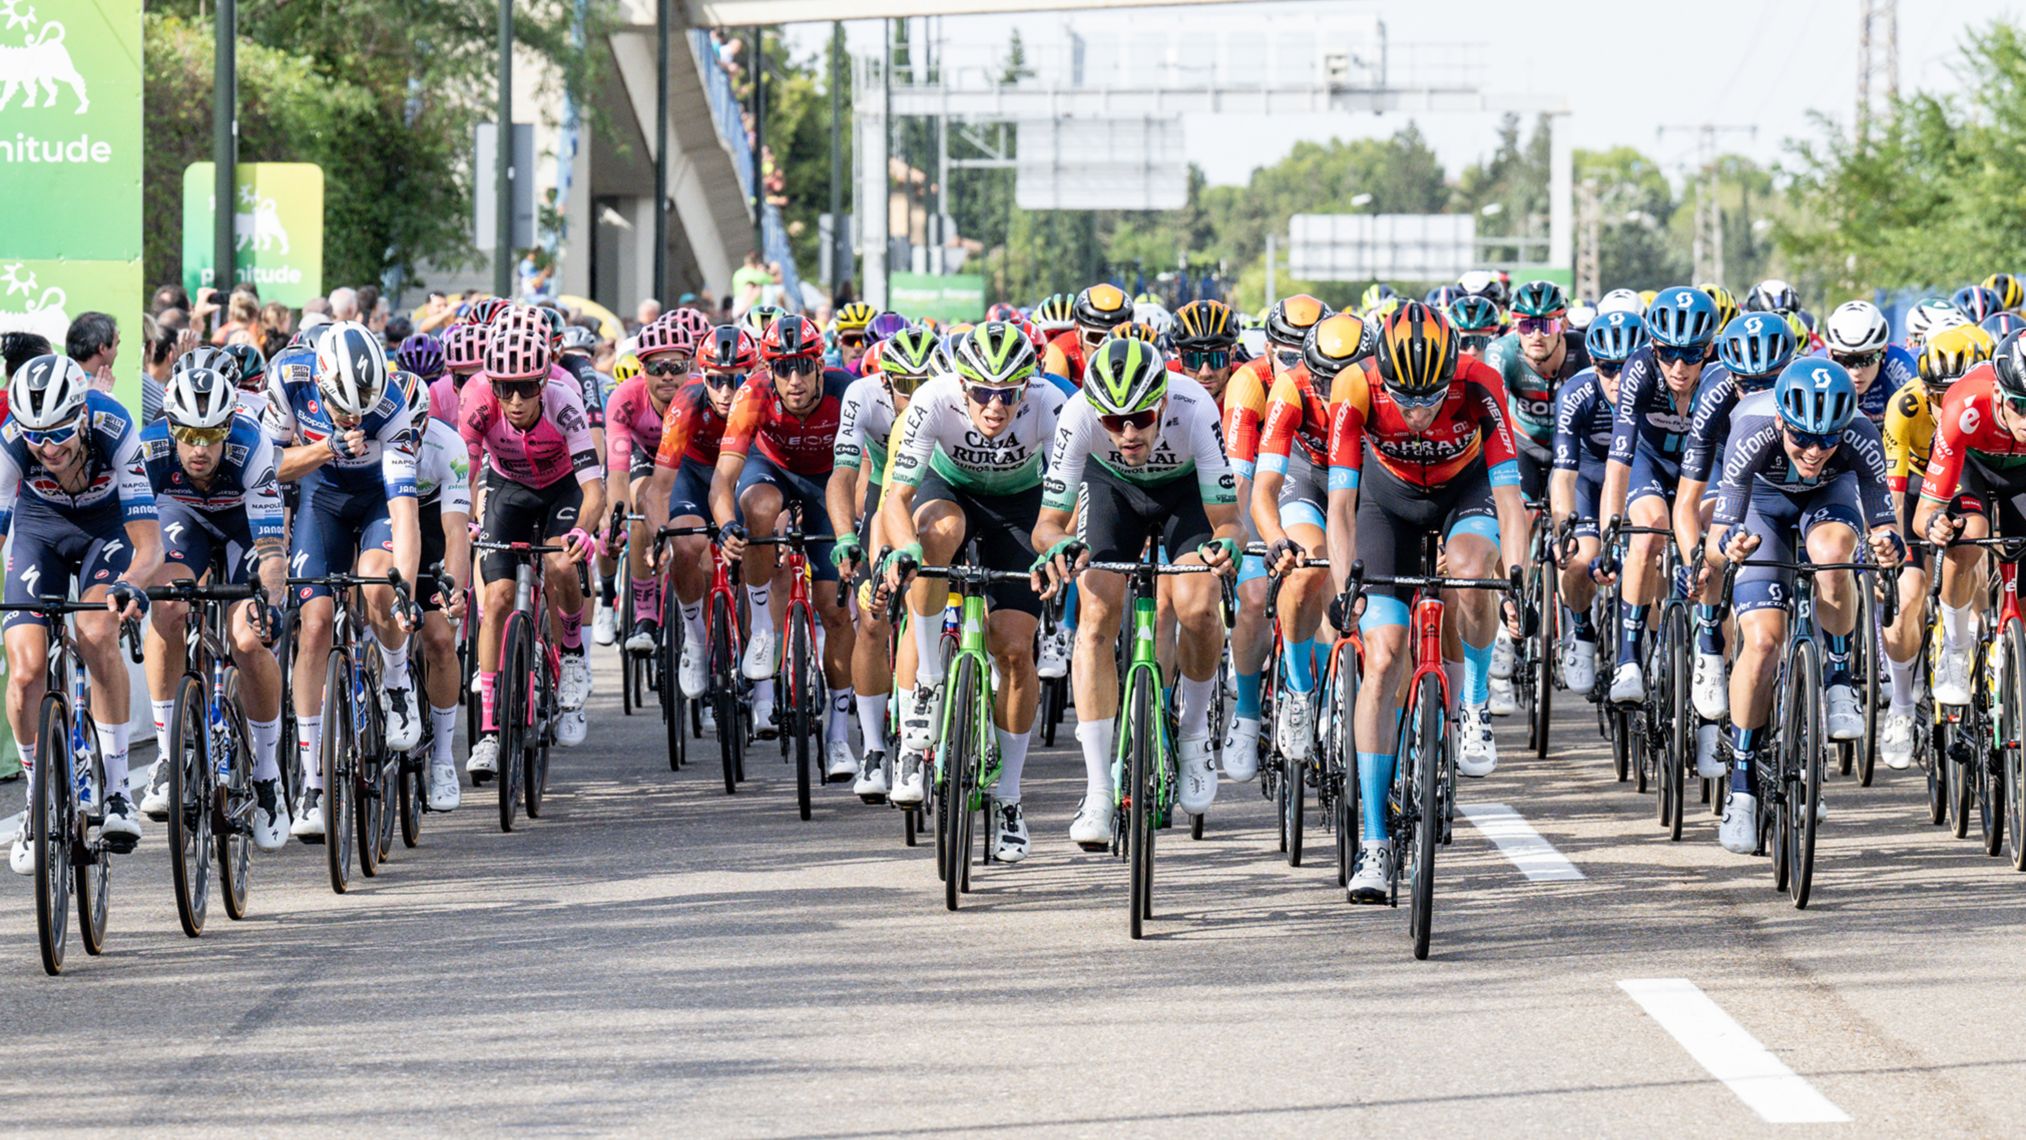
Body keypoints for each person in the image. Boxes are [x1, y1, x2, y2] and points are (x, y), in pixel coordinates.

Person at [1323, 302, 1528, 900]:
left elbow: (1511, 502)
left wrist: (1514, 579)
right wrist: (1344, 591)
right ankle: (1374, 841)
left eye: (1430, 400)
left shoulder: (1479, 383)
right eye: (1404, 399)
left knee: (1470, 571)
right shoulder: (1355, 383)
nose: (1415, 414)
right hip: (1385, 504)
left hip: (1465, 495)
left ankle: (1476, 701)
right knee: (1384, 657)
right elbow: (1340, 506)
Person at [1032, 336, 1239, 830]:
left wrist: (1227, 543)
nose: (1127, 434)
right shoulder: (1078, 414)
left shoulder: (1193, 405)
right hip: (1110, 493)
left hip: (1184, 494)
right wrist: (1057, 546)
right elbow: (1047, 524)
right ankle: (1099, 787)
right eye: (1112, 421)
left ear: (1162, 401)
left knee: (1198, 605)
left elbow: (1229, 518)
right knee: (1096, 614)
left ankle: (1192, 736)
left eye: (1141, 419)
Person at [880, 323, 1063, 859]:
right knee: (937, 536)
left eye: (1007, 393)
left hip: (1021, 505)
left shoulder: (1051, 404)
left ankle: (1008, 797)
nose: (994, 405)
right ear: (962, 386)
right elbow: (897, 496)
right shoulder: (934, 398)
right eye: (982, 392)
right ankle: (928, 689)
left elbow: (1071, 492)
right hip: (949, 490)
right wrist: (905, 548)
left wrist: (1056, 545)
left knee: (1012, 649)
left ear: (1026, 387)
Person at [1710, 359, 1899, 854]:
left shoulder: (1858, 433)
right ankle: (1743, 785)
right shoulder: (1751, 428)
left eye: (1827, 440)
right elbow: (1720, 531)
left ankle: (1839, 679)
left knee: (1836, 557)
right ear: (1780, 423)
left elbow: (1884, 521)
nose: (1814, 451)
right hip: (1763, 510)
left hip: (1828, 504)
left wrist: (1888, 545)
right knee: (1764, 641)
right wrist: (1730, 544)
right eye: (1801, 440)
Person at [262, 321, 425, 838]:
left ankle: (397, 683)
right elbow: (267, 469)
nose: (356, 418)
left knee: (378, 580)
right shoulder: (289, 377)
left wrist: (405, 593)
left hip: (378, 498)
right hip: (320, 496)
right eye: (342, 407)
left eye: (364, 408)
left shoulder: (394, 404)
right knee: (312, 624)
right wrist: (326, 448)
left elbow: (404, 513)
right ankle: (312, 781)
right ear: (321, 380)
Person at [2, 356, 162, 874]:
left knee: (95, 632)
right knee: (25, 670)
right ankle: (36, 797)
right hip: (39, 530)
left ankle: (117, 790)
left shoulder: (117, 431)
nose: (48, 449)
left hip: (107, 529)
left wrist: (130, 587)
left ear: (83, 417)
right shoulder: (10, 445)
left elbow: (150, 546)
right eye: (36, 437)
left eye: (60, 436)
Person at [135, 364, 291, 849]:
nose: (198, 448)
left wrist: (271, 602)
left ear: (227, 428)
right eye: (187, 434)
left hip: (243, 522)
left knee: (247, 638)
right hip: (182, 518)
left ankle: (268, 777)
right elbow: (141, 541)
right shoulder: (150, 449)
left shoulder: (252, 446)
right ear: (170, 428)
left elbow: (270, 548)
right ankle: (167, 756)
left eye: (209, 436)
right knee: (168, 609)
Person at [459, 319, 605, 781]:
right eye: (506, 389)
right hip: (510, 487)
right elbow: (466, 469)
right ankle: (488, 731)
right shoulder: (478, 402)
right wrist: (465, 517)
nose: (516, 402)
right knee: (497, 599)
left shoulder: (565, 404)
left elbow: (595, 489)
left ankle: (574, 653)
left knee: (560, 559)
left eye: (525, 388)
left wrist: (583, 530)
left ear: (543, 382)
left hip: (563, 489)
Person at [710, 314, 855, 771]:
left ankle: (837, 734)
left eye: (803, 367)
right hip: (770, 469)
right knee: (756, 505)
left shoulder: (845, 391)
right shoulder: (752, 394)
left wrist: (857, 525)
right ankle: (762, 629)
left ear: (819, 364)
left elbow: (864, 469)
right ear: (769, 372)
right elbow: (724, 477)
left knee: (834, 610)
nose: (794, 380)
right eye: (783, 369)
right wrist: (727, 524)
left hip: (826, 482)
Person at [826, 324, 936, 800]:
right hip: (885, 490)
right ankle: (873, 749)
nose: (914, 395)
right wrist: (846, 536)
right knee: (872, 617)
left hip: (940, 485)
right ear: (886, 382)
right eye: (904, 385)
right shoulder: (863, 395)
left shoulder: (953, 397)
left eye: (924, 383)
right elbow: (845, 475)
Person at [1878, 323, 1994, 767]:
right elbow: (1891, 497)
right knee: (1907, 596)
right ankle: (1903, 705)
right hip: (1914, 491)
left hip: (1965, 483)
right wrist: (1893, 549)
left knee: (1975, 556)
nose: (1946, 403)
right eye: (1935, 393)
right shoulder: (1905, 407)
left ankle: (1989, 654)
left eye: (1956, 390)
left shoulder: (1988, 406)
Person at [1481, 280, 1588, 714]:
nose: (1536, 333)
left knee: (1577, 537)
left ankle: (1578, 625)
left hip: (1572, 452)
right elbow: (1495, 415)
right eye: (1526, 324)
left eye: (1546, 323)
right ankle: (1506, 632)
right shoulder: (1503, 354)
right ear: (1515, 325)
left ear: (1562, 322)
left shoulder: (1584, 353)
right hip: (1522, 447)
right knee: (1517, 522)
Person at [644, 324, 753, 704]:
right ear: (701, 376)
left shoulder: (760, 400)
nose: (726, 392)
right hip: (694, 472)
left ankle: (756, 650)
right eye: (717, 381)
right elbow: (658, 488)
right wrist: (660, 539)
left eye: (737, 380)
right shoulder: (687, 401)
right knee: (687, 545)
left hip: (742, 473)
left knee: (762, 547)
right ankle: (694, 637)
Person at [1251, 294, 1339, 761]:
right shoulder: (1290, 386)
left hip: (1356, 482)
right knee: (1309, 568)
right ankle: (1300, 692)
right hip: (1303, 478)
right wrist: (1274, 541)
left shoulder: (1367, 383)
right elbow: (1262, 487)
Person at [1551, 310, 1643, 695]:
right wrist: (1561, 533)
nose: (1619, 379)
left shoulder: (1656, 389)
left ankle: (1651, 646)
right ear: (1593, 362)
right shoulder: (1576, 392)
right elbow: (1564, 475)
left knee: (1650, 553)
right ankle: (1583, 629)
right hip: (1589, 476)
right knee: (1578, 558)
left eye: (1628, 367)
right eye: (1608, 368)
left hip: (1637, 474)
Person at [603, 320, 696, 652]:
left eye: (676, 366)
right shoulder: (625, 398)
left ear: (690, 366)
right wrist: (616, 523)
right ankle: (644, 609)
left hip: (691, 460)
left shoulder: (702, 393)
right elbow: (616, 473)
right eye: (658, 367)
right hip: (646, 456)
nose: (668, 375)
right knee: (640, 498)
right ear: (643, 370)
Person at [1042, 284, 1132, 388]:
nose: (1105, 347)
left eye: (1116, 338)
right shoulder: (1059, 353)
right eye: (1095, 337)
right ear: (1078, 332)